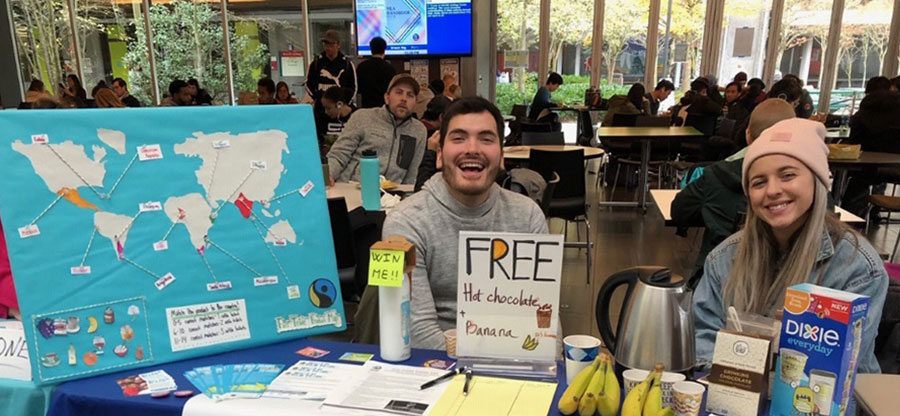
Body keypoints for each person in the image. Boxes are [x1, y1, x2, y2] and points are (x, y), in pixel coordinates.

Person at [693, 118, 887, 376]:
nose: (773, 190)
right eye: (759, 182)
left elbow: (838, 369)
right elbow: (704, 338)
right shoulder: (724, 258)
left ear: (817, 181)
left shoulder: (859, 268)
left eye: (788, 175)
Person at [382, 96, 548, 349]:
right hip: (435, 369)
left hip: (517, 362)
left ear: (502, 157)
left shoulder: (528, 216)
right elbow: (415, 333)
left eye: (486, 139)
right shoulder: (404, 223)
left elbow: (543, 320)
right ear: (439, 155)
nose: (472, 149)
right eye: (459, 138)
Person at [672, 99, 796, 280]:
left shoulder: (715, 175)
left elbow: (679, 211)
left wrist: (711, 214)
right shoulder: (809, 184)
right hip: (789, 286)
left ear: (748, 135)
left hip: (718, 280)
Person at [326, 74, 426, 184]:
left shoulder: (419, 131)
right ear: (387, 98)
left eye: (410, 95)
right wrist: (328, 175)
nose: (404, 99)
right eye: (399, 92)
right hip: (352, 189)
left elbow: (412, 174)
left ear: (415, 103)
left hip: (393, 196)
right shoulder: (362, 117)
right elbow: (339, 154)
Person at [305, 30, 357, 107]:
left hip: (341, 109)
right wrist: (318, 99)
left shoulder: (347, 64)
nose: (328, 48)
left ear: (338, 45)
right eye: (325, 44)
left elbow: (353, 88)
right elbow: (308, 84)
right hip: (321, 110)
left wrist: (345, 104)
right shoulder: (316, 63)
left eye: (331, 44)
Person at [355, 36, 396, 109]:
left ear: (371, 49)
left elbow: (358, 88)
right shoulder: (390, 69)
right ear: (384, 49)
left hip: (367, 107)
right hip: (384, 108)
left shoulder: (362, 67)